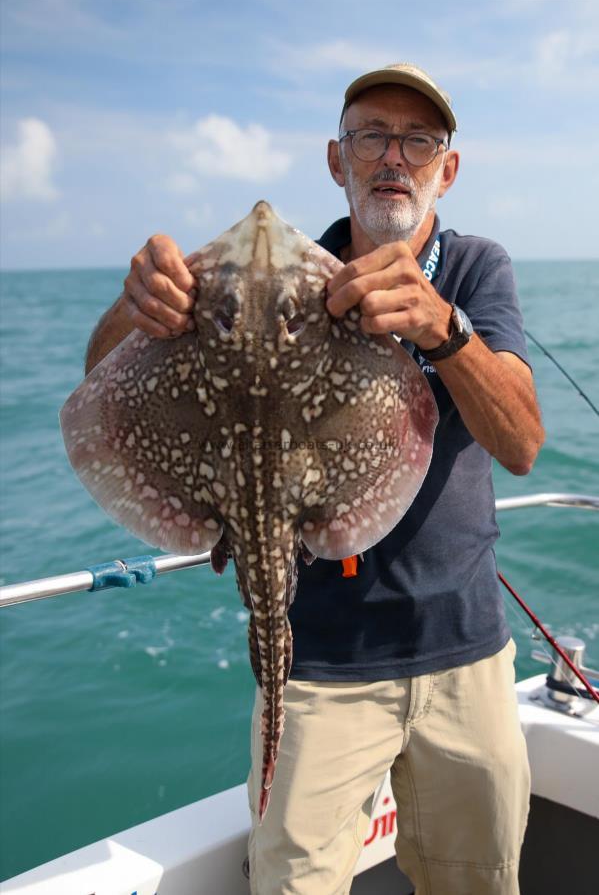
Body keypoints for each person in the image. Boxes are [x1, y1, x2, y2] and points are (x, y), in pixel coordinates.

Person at [85, 63, 545, 895]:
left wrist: (445, 328)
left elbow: (520, 444)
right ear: (337, 160)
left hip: (463, 653)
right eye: (371, 135)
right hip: (319, 667)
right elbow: (102, 391)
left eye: (418, 140)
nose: (393, 156)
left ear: (448, 166)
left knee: (480, 877)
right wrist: (136, 305)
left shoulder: (475, 267)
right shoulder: (297, 272)